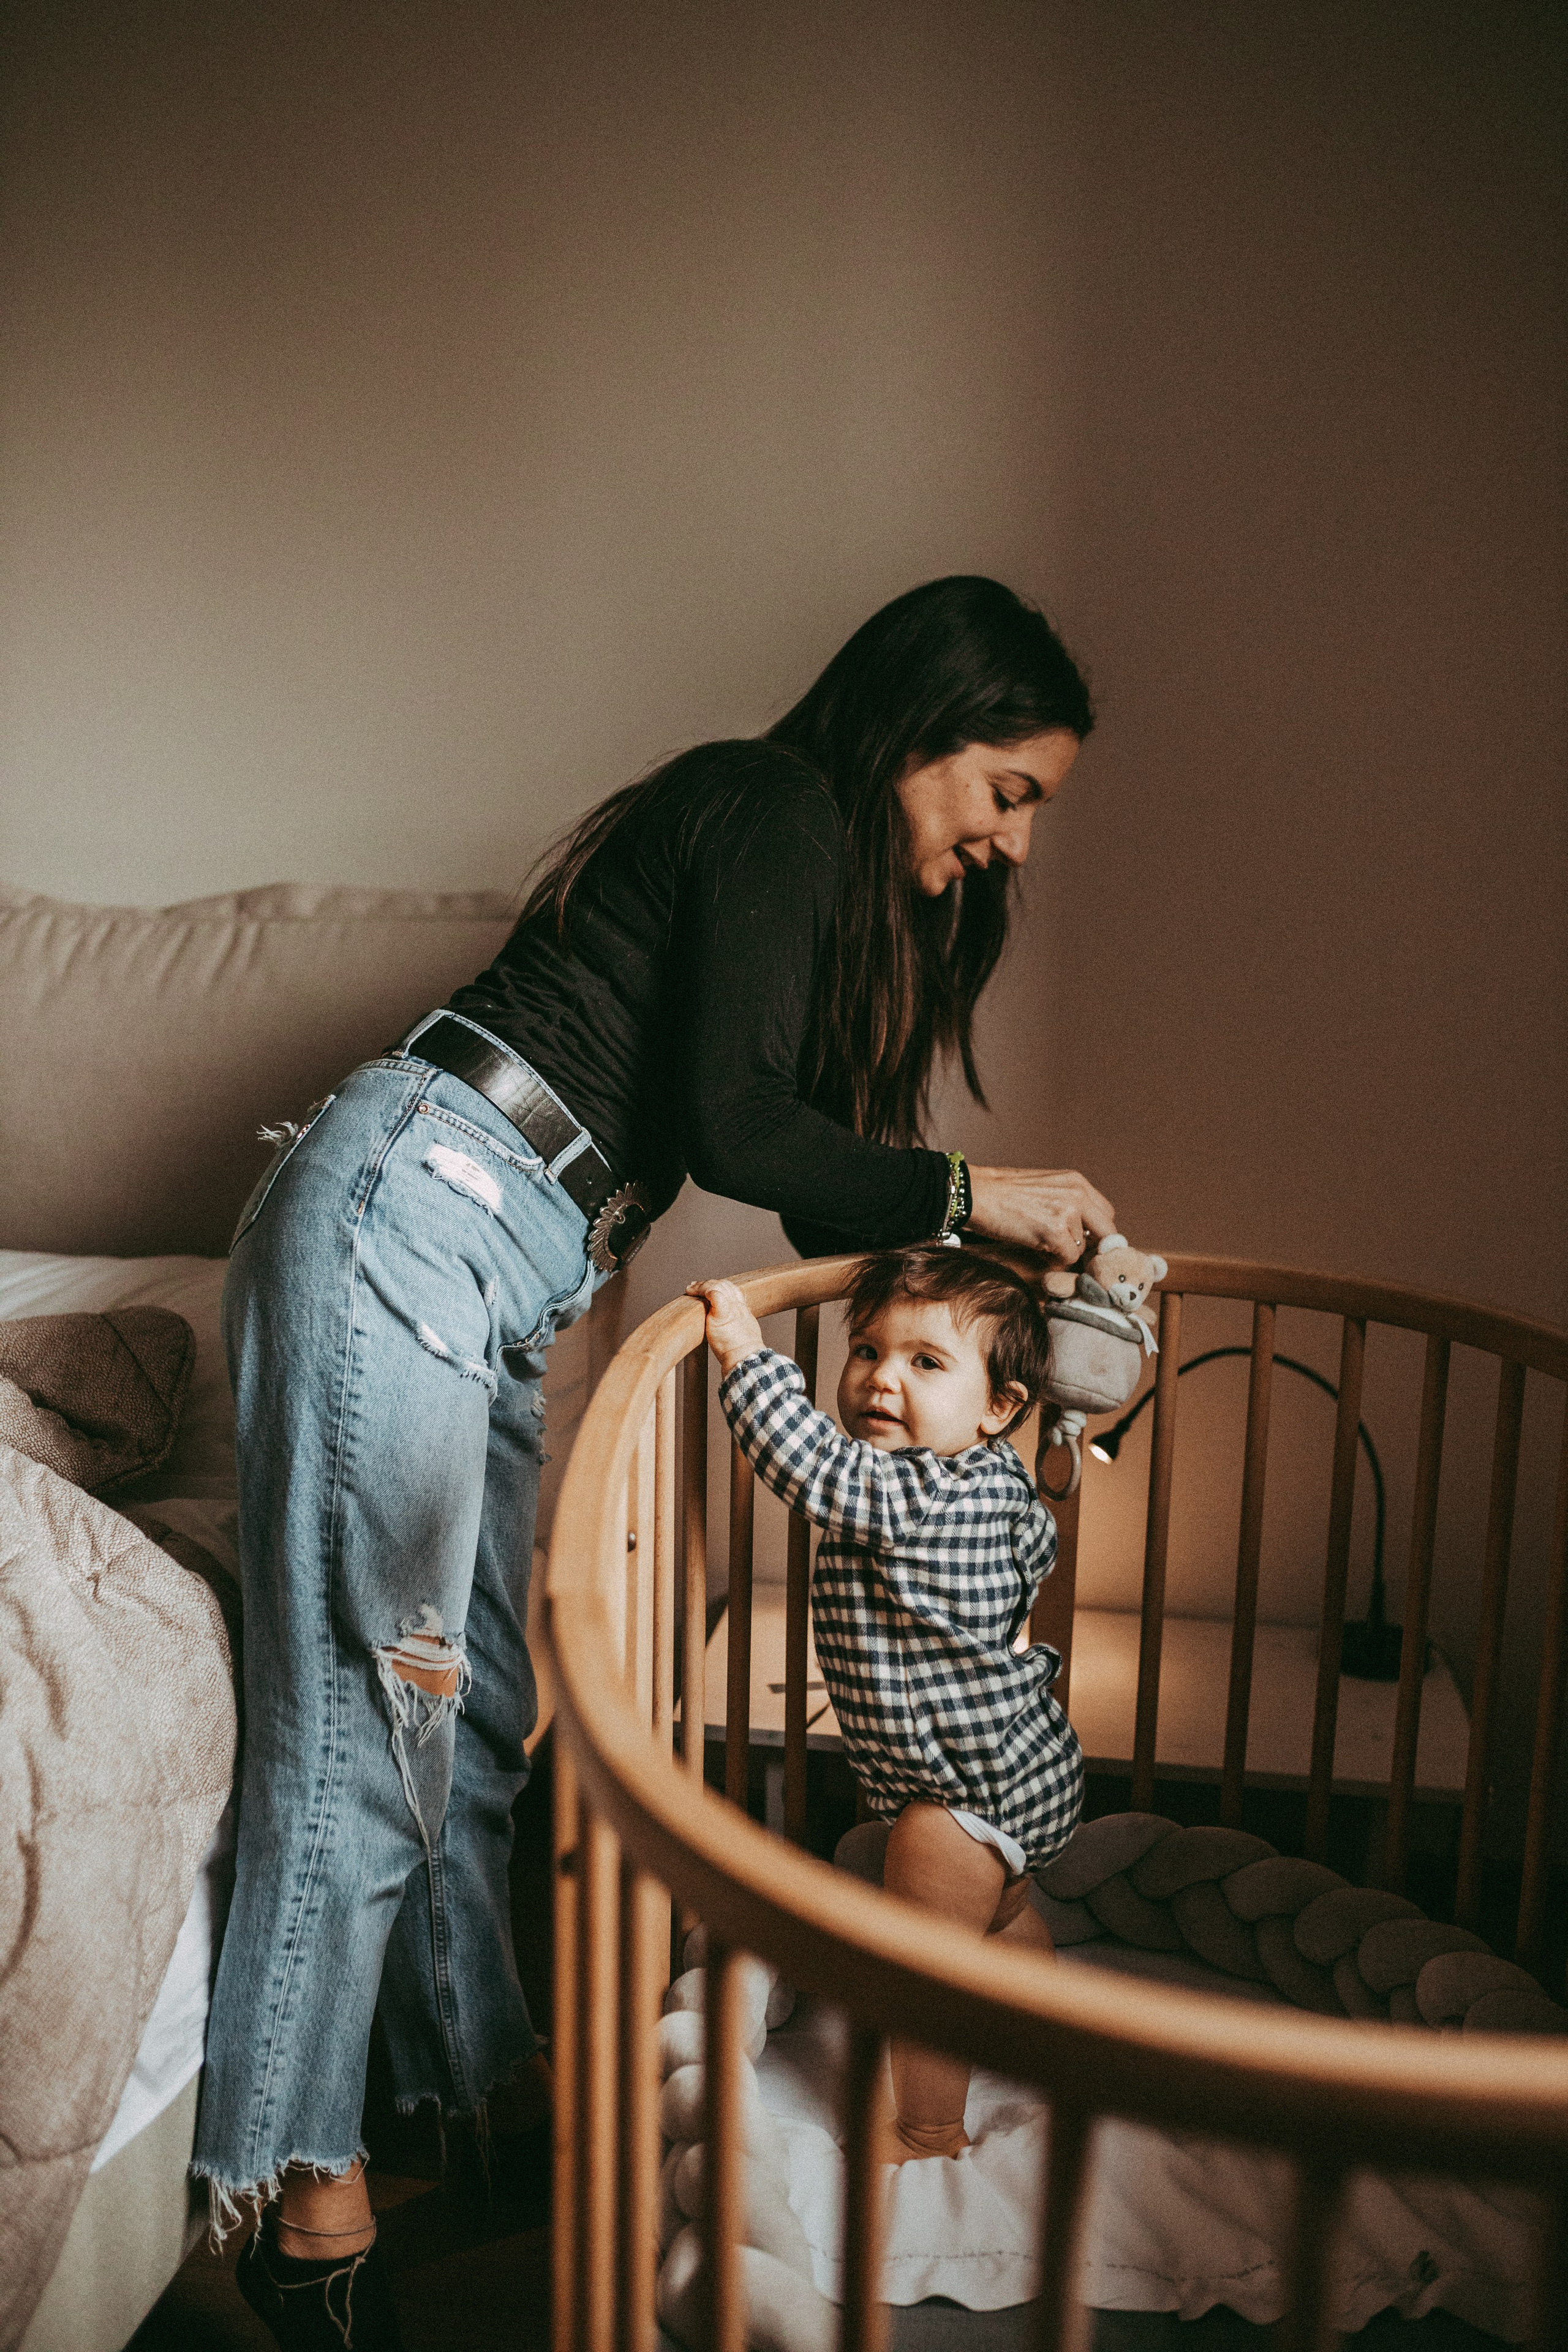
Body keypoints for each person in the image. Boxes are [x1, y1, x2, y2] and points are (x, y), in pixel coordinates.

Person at [196, 574, 1115, 2346]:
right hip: (415, 1201)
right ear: (924, 728)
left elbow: (763, 1154)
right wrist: (980, 1194)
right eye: (1009, 792)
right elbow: (739, 1127)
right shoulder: (767, 798)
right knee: (368, 1697)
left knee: (469, 1710)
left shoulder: (805, 871)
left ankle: (476, 2097)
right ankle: (299, 2193)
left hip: (503, 1254)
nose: (1011, 845)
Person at [692, 1246, 1080, 2165]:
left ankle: (928, 2126)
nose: (879, 1380)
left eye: (925, 1363)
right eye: (866, 1350)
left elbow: (811, 1465)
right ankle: (1054, 2035)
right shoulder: (990, 1482)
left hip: (958, 1805)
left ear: (999, 1409)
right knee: (998, 1919)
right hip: (1016, 1774)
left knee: (926, 1969)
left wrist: (746, 1357)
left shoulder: (917, 1496)